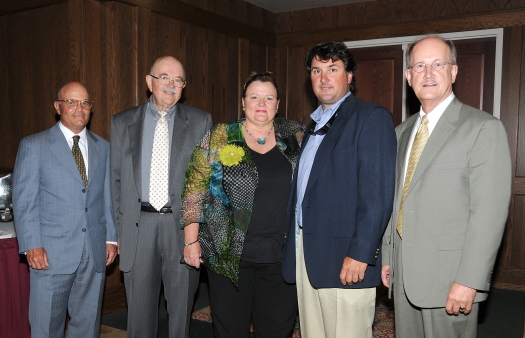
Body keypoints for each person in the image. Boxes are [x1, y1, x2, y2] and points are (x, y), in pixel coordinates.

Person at [381, 35, 512, 338]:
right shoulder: (401, 132)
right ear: (408, 76)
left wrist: (469, 280)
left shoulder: (482, 129)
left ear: (453, 71)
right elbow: (396, 199)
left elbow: (488, 215)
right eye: (419, 66)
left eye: (437, 64)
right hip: (404, 274)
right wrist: (389, 257)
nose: (428, 74)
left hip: (451, 279)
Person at [281, 41, 397, 338]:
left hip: (346, 258)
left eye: (333, 69)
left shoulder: (370, 118)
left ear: (349, 76)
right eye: (317, 70)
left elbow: (378, 196)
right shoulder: (312, 125)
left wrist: (360, 253)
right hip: (309, 253)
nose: (323, 78)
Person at [181, 71, 303, 338]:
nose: (262, 103)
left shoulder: (295, 135)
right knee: (230, 330)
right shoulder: (220, 136)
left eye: (269, 98)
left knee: (277, 329)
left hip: (281, 256)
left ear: (278, 104)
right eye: (255, 97)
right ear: (243, 102)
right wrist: (191, 241)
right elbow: (194, 189)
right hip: (228, 255)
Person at [110, 56, 212, 338]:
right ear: (149, 82)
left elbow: (204, 182)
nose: (171, 84)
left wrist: (196, 235)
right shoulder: (122, 122)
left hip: (181, 229)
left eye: (178, 80)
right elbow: (115, 182)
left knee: (180, 314)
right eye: (164, 77)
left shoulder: (201, 121)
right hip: (137, 228)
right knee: (139, 318)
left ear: (184, 86)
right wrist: (118, 232)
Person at [12, 82, 118, 338]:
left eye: (85, 103)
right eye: (71, 102)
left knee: (87, 324)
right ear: (58, 107)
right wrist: (31, 245)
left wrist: (111, 238)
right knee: (46, 325)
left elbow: (107, 197)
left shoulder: (102, 147)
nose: (79, 108)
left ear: (91, 109)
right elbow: (25, 201)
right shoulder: (34, 145)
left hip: (93, 251)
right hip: (50, 253)